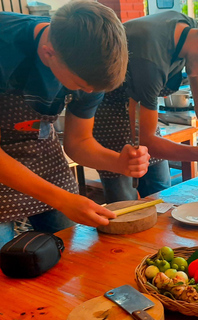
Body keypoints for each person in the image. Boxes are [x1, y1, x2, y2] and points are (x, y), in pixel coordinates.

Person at [0, 0, 150, 247]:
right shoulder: (6, 47)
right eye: (81, 85)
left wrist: (118, 162)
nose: (88, 91)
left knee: (69, 252)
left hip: (41, 150)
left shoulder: (89, 67)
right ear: (49, 54)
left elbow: (79, 141)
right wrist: (62, 200)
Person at [93, 11, 198, 203]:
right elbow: (146, 140)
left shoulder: (193, 34)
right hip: (107, 116)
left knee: (161, 195)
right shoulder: (151, 58)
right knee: (125, 207)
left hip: (141, 112)